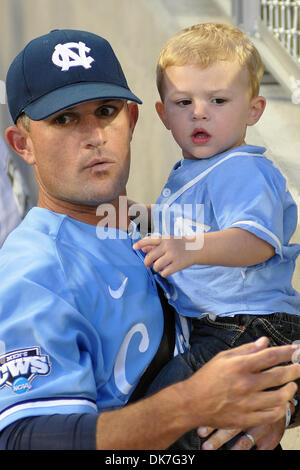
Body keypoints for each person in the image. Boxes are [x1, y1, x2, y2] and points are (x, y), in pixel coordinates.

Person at [0, 28, 299, 451]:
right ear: (23, 145)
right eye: (63, 119)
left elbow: (269, 331)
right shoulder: (35, 270)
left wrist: (275, 407)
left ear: (132, 120)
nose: (93, 135)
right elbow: (21, 439)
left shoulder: (161, 224)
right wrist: (189, 405)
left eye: (105, 111)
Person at [132, 23, 300, 448]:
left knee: (169, 415)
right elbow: (181, 221)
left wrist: (189, 249)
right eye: (183, 102)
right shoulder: (197, 171)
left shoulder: (241, 168)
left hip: (247, 326)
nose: (199, 112)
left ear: (254, 110)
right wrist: (135, 216)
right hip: (225, 326)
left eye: (218, 100)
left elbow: (254, 241)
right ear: (163, 114)